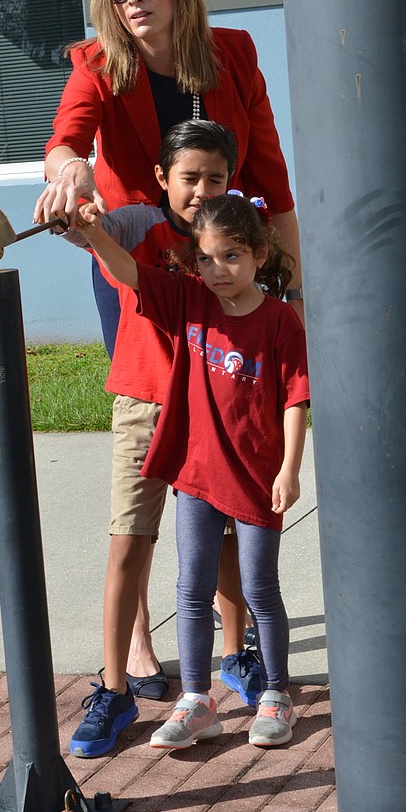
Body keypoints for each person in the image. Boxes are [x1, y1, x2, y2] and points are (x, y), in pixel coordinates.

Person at [33, 0, 303, 714]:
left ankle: (231, 648)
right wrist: (70, 170)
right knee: (151, 454)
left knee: (222, 458)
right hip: (143, 286)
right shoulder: (97, 66)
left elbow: (270, 175)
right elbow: (66, 142)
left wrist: (290, 287)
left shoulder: (235, 54)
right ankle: (136, 649)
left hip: (224, 278)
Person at [58, 120, 268, 758]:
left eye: (215, 177)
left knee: (226, 537)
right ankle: (115, 688)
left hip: (216, 404)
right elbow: (90, 232)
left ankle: (235, 656)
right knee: (130, 542)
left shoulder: (234, 236)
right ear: (161, 179)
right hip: (145, 402)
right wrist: (78, 207)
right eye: (189, 177)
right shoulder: (135, 224)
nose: (202, 190)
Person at [77, 192, 309, 750]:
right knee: (191, 589)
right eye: (205, 258)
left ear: (257, 254)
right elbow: (129, 272)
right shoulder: (189, 302)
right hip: (196, 475)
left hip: (256, 479)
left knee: (260, 590)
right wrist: (93, 232)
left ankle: (276, 695)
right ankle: (197, 701)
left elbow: (296, 401)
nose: (217, 270)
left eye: (231, 256)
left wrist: (289, 470)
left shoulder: (280, 320)